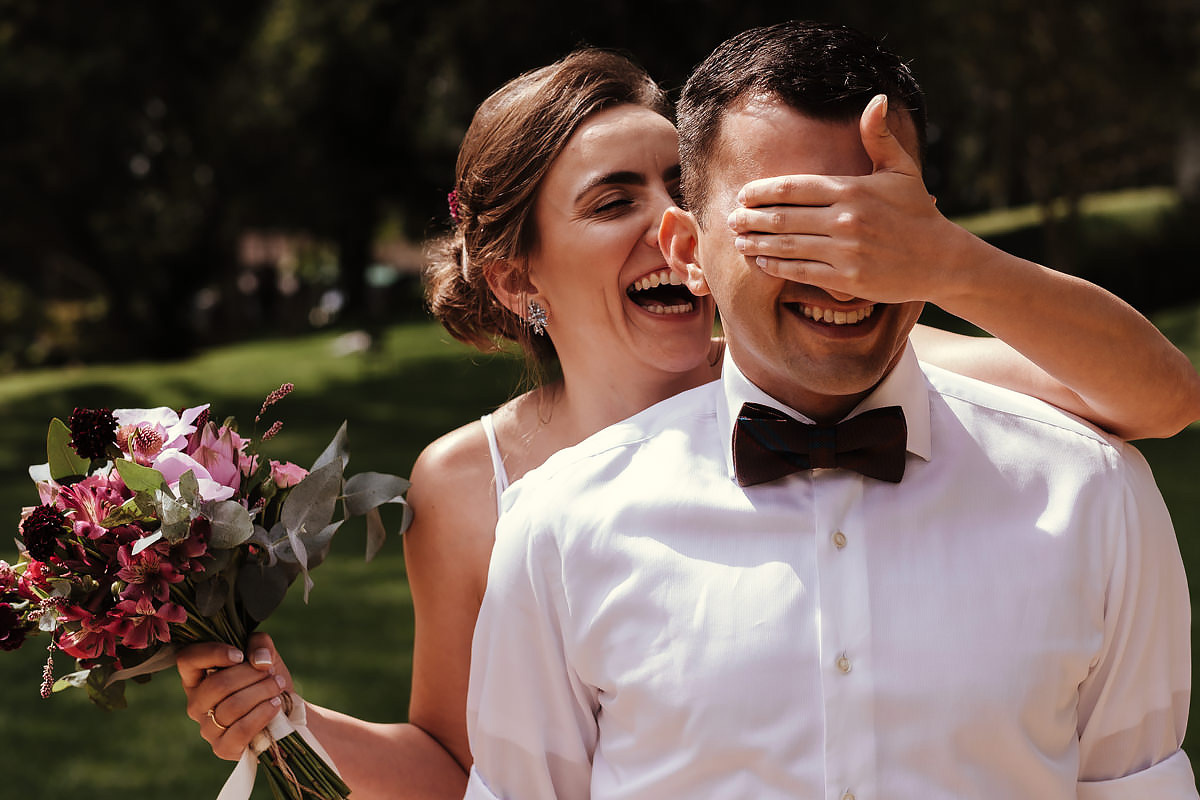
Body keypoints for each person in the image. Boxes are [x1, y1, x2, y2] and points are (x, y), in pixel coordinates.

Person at [176, 45, 1200, 799]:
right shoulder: (480, 484)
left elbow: (1153, 399)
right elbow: (469, 765)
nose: (669, 230)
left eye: (677, 184)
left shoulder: (842, 348)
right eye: (614, 199)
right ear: (516, 275)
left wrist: (932, 259)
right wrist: (289, 715)